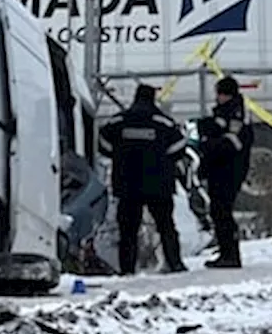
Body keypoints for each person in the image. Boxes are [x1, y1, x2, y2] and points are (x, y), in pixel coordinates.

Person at [98, 83, 188, 275]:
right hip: (159, 184)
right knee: (166, 226)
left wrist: (119, 155)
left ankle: (127, 268)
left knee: (128, 230)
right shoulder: (163, 122)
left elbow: (102, 144)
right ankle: (175, 263)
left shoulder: (119, 121)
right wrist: (164, 159)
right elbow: (180, 146)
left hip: (127, 183)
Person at [197, 76, 254, 269]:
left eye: (219, 94)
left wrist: (208, 145)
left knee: (222, 210)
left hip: (228, 168)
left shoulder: (235, 113)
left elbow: (232, 142)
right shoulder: (228, 111)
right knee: (219, 210)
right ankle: (226, 251)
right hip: (222, 167)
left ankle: (230, 254)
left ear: (225, 94)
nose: (217, 98)